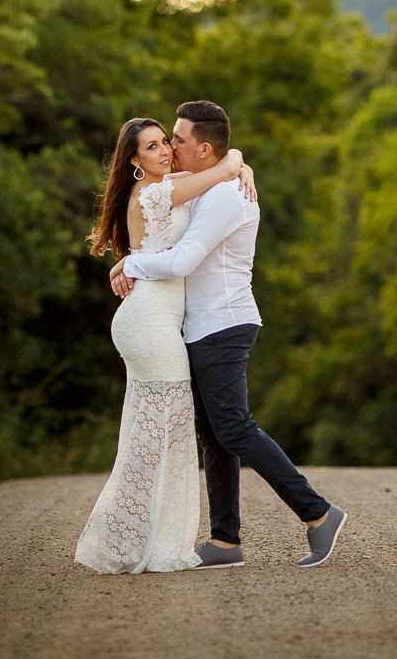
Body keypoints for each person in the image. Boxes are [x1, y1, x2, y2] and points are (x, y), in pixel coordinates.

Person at [110, 100, 347, 570]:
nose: (172, 148)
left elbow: (181, 261)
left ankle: (318, 514)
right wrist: (238, 161)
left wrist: (128, 262)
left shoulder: (223, 195)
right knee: (215, 436)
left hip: (223, 322)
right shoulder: (212, 182)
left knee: (234, 427)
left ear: (201, 148)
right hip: (198, 325)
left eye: (177, 140)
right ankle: (224, 542)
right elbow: (205, 176)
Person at [75, 117, 256, 575]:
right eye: (151, 147)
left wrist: (241, 166)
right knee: (162, 436)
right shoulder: (155, 192)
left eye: (165, 143)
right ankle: (128, 541)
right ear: (134, 160)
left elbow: (215, 173)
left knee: (160, 433)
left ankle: (141, 539)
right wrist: (235, 162)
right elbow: (218, 170)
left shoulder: (167, 185)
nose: (164, 151)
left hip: (153, 321)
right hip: (151, 323)